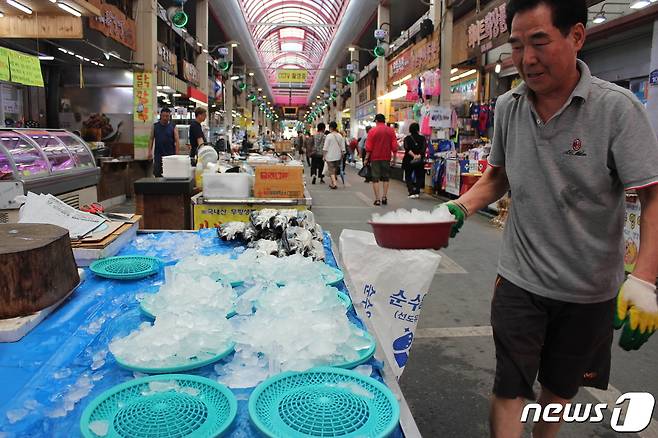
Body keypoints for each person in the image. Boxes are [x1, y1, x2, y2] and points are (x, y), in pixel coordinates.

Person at [441, 1, 658, 437]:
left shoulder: (617, 110)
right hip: (520, 279)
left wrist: (645, 280)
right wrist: (459, 207)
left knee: (560, 390)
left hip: (590, 291)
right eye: (517, 46)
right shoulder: (508, 106)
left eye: (539, 42)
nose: (527, 59)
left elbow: (652, 196)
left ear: (576, 36)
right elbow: (497, 177)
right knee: (509, 386)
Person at [365, 114, 398, 206]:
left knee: (375, 179)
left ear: (376, 121)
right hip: (386, 157)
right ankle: (384, 197)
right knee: (386, 178)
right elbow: (394, 146)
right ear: (384, 121)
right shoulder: (391, 130)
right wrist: (394, 159)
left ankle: (377, 199)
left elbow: (369, 146)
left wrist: (366, 158)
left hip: (375, 158)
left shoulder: (372, 131)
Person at [148, 107, 179, 177]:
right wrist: (149, 152)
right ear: (160, 116)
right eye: (163, 116)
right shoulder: (155, 126)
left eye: (167, 116)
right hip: (158, 156)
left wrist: (177, 154)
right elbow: (151, 139)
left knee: (170, 175)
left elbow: (177, 141)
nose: (165, 118)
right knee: (158, 175)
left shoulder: (173, 126)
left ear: (169, 116)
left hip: (170, 156)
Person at [402, 122, 425, 198]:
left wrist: (413, 155)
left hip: (408, 160)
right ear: (418, 129)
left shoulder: (407, 138)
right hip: (419, 160)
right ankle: (417, 190)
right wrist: (418, 155)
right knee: (419, 175)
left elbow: (406, 148)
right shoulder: (422, 138)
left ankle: (411, 191)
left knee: (408, 175)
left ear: (410, 129)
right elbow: (424, 148)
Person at [323, 121, 344, 189]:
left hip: (330, 156)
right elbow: (343, 147)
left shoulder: (329, 136)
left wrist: (324, 156)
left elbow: (325, 147)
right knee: (334, 169)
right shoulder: (340, 136)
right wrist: (342, 154)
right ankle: (332, 183)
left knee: (331, 170)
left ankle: (334, 183)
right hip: (338, 156)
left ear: (331, 127)